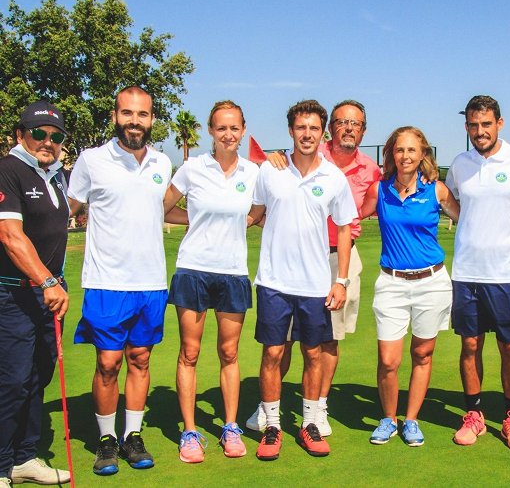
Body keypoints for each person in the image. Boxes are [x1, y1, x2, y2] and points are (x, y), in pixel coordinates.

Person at [246, 100, 381, 436]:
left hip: (330, 265)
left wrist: (342, 279)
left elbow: (351, 220)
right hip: (283, 272)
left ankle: (316, 411)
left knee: (323, 345)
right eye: (342, 122)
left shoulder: (357, 172)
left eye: (356, 123)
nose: (349, 127)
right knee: (279, 346)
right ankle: (269, 410)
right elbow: (257, 210)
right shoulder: (277, 166)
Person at [68, 86, 184, 476]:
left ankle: (132, 435)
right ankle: (106, 440)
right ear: (115, 115)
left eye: (143, 114)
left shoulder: (162, 162)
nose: (135, 121)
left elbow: (163, 211)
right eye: (128, 113)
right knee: (107, 363)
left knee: (140, 358)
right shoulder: (91, 160)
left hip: (150, 282)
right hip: (105, 281)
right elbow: (65, 210)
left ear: (152, 119)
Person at [445, 95, 510, 452]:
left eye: (486, 124)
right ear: (466, 127)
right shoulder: (460, 164)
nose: (480, 131)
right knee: (470, 344)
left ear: (499, 124)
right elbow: (455, 204)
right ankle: (474, 416)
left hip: (506, 274)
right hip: (466, 271)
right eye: (473, 125)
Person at [163, 100, 259, 463]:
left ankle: (230, 426)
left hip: (233, 272)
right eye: (221, 128)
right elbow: (163, 205)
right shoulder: (192, 168)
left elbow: (258, 210)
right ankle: (189, 431)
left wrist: (244, 223)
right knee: (190, 353)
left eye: (234, 128)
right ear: (210, 130)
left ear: (243, 129)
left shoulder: (253, 172)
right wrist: (195, 220)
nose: (228, 135)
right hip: (193, 269)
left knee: (229, 353)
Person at [360, 126, 459, 446]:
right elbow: (350, 219)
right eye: (399, 150)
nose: (405, 156)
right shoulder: (379, 190)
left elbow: (469, 221)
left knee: (422, 353)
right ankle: (388, 418)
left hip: (433, 282)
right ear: (391, 153)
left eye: (412, 150)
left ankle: (411, 420)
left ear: (422, 154)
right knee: (389, 360)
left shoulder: (437, 190)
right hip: (391, 282)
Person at [0, 101, 71, 487]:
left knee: (37, 376)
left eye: (56, 136)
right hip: (12, 294)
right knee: (11, 380)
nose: (48, 142)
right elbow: (11, 236)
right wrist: (47, 282)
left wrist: (53, 285)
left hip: (46, 295)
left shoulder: (55, 175)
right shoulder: (7, 170)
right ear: (20, 135)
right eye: (38, 134)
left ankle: (24, 457)